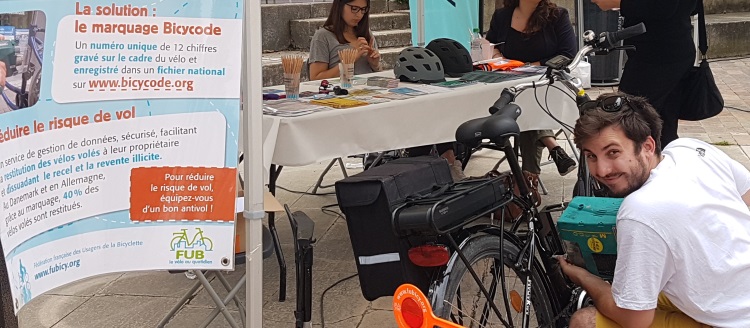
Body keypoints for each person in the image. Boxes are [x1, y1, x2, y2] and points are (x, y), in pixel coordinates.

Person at [559, 92, 750, 327]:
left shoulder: (640, 211)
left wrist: (585, 279)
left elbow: (635, 319)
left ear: (647, 146)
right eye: (591, 156)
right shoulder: (690, 149)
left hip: (736, 320)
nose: (602, 170)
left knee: (584, 321)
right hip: (735, 290)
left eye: (613, 152)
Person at [485, 0, 578, 177]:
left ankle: (529, 176)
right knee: (522, 99)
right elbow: (490, 46)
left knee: (525, 100)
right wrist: (498, 57)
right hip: (510, 83)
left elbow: (568, 54)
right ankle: (550, 148)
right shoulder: (502, 16)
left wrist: (528, 68)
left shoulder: (557, 16)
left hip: (549, 84)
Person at [591, 0, 698, 149]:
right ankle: (663, 166)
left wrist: (619, 3)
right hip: (667, 51)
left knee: (630, 117)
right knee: (662, 123)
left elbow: (665, 7)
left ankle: (641, 166)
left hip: (658, 57)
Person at [308, 0, 382, 80]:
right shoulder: (323, 36)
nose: (359, 15)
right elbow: (316, 78)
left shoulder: (366, 33)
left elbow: (379, 71)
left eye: (363, 9)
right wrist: (349, 60)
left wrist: (375, 64)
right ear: (340, 6)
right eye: (354, 9)